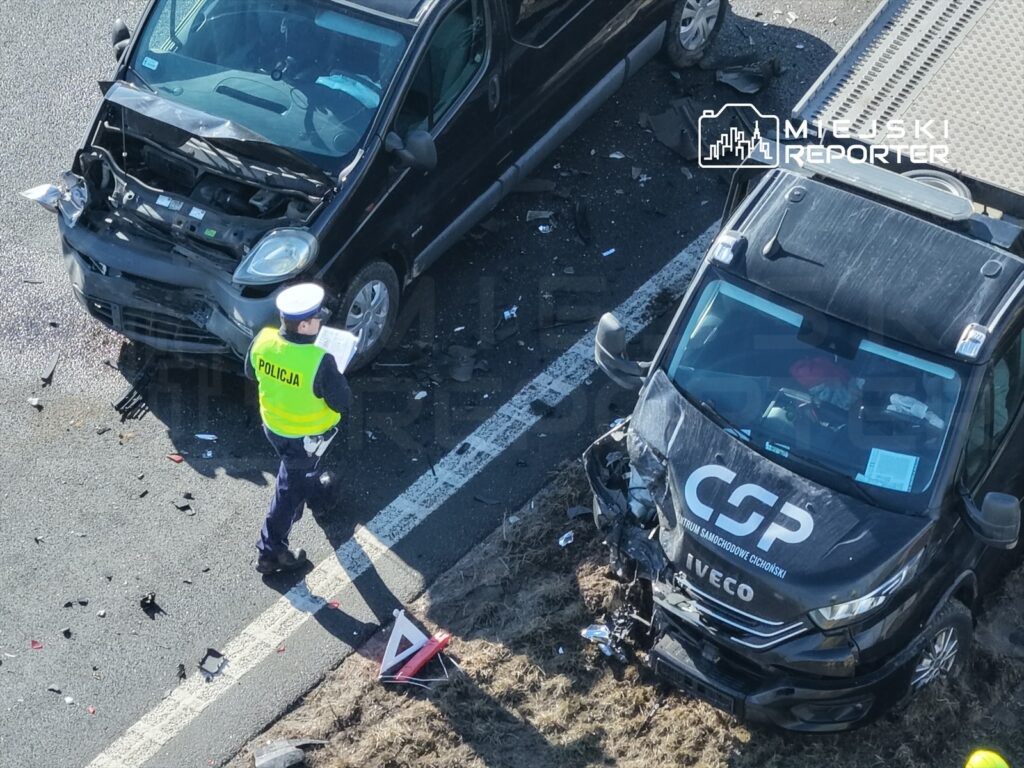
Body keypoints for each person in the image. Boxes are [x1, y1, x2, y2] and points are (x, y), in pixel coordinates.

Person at [245, 283, 352, 574]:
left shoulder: (264, 341)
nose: (321, 321)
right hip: (306, 437)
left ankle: (316, 491)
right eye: (317, 318)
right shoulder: (320, 361)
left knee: (300, 473)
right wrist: (334, 375)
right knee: (288, 489)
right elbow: (343, 402)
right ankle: (270, 552)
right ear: (304, 325)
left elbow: (250, 370)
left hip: (274, 427)